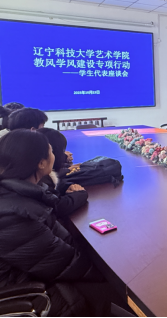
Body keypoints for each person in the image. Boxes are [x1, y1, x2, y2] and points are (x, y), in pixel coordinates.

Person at [0, 130, 110, 316]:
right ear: (41, 163)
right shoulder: (13, 214)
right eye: (51, 151)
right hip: (24, 293)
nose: (56, 155)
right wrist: (109, 272)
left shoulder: (19, 192)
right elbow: (65, 264)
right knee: (113, 298)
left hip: (28, 274)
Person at [37, 128, 88, 218]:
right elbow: (58, 207)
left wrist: (64, 188)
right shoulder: (39, 178)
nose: (64, 154)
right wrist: (80, 193)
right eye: (62, 151)